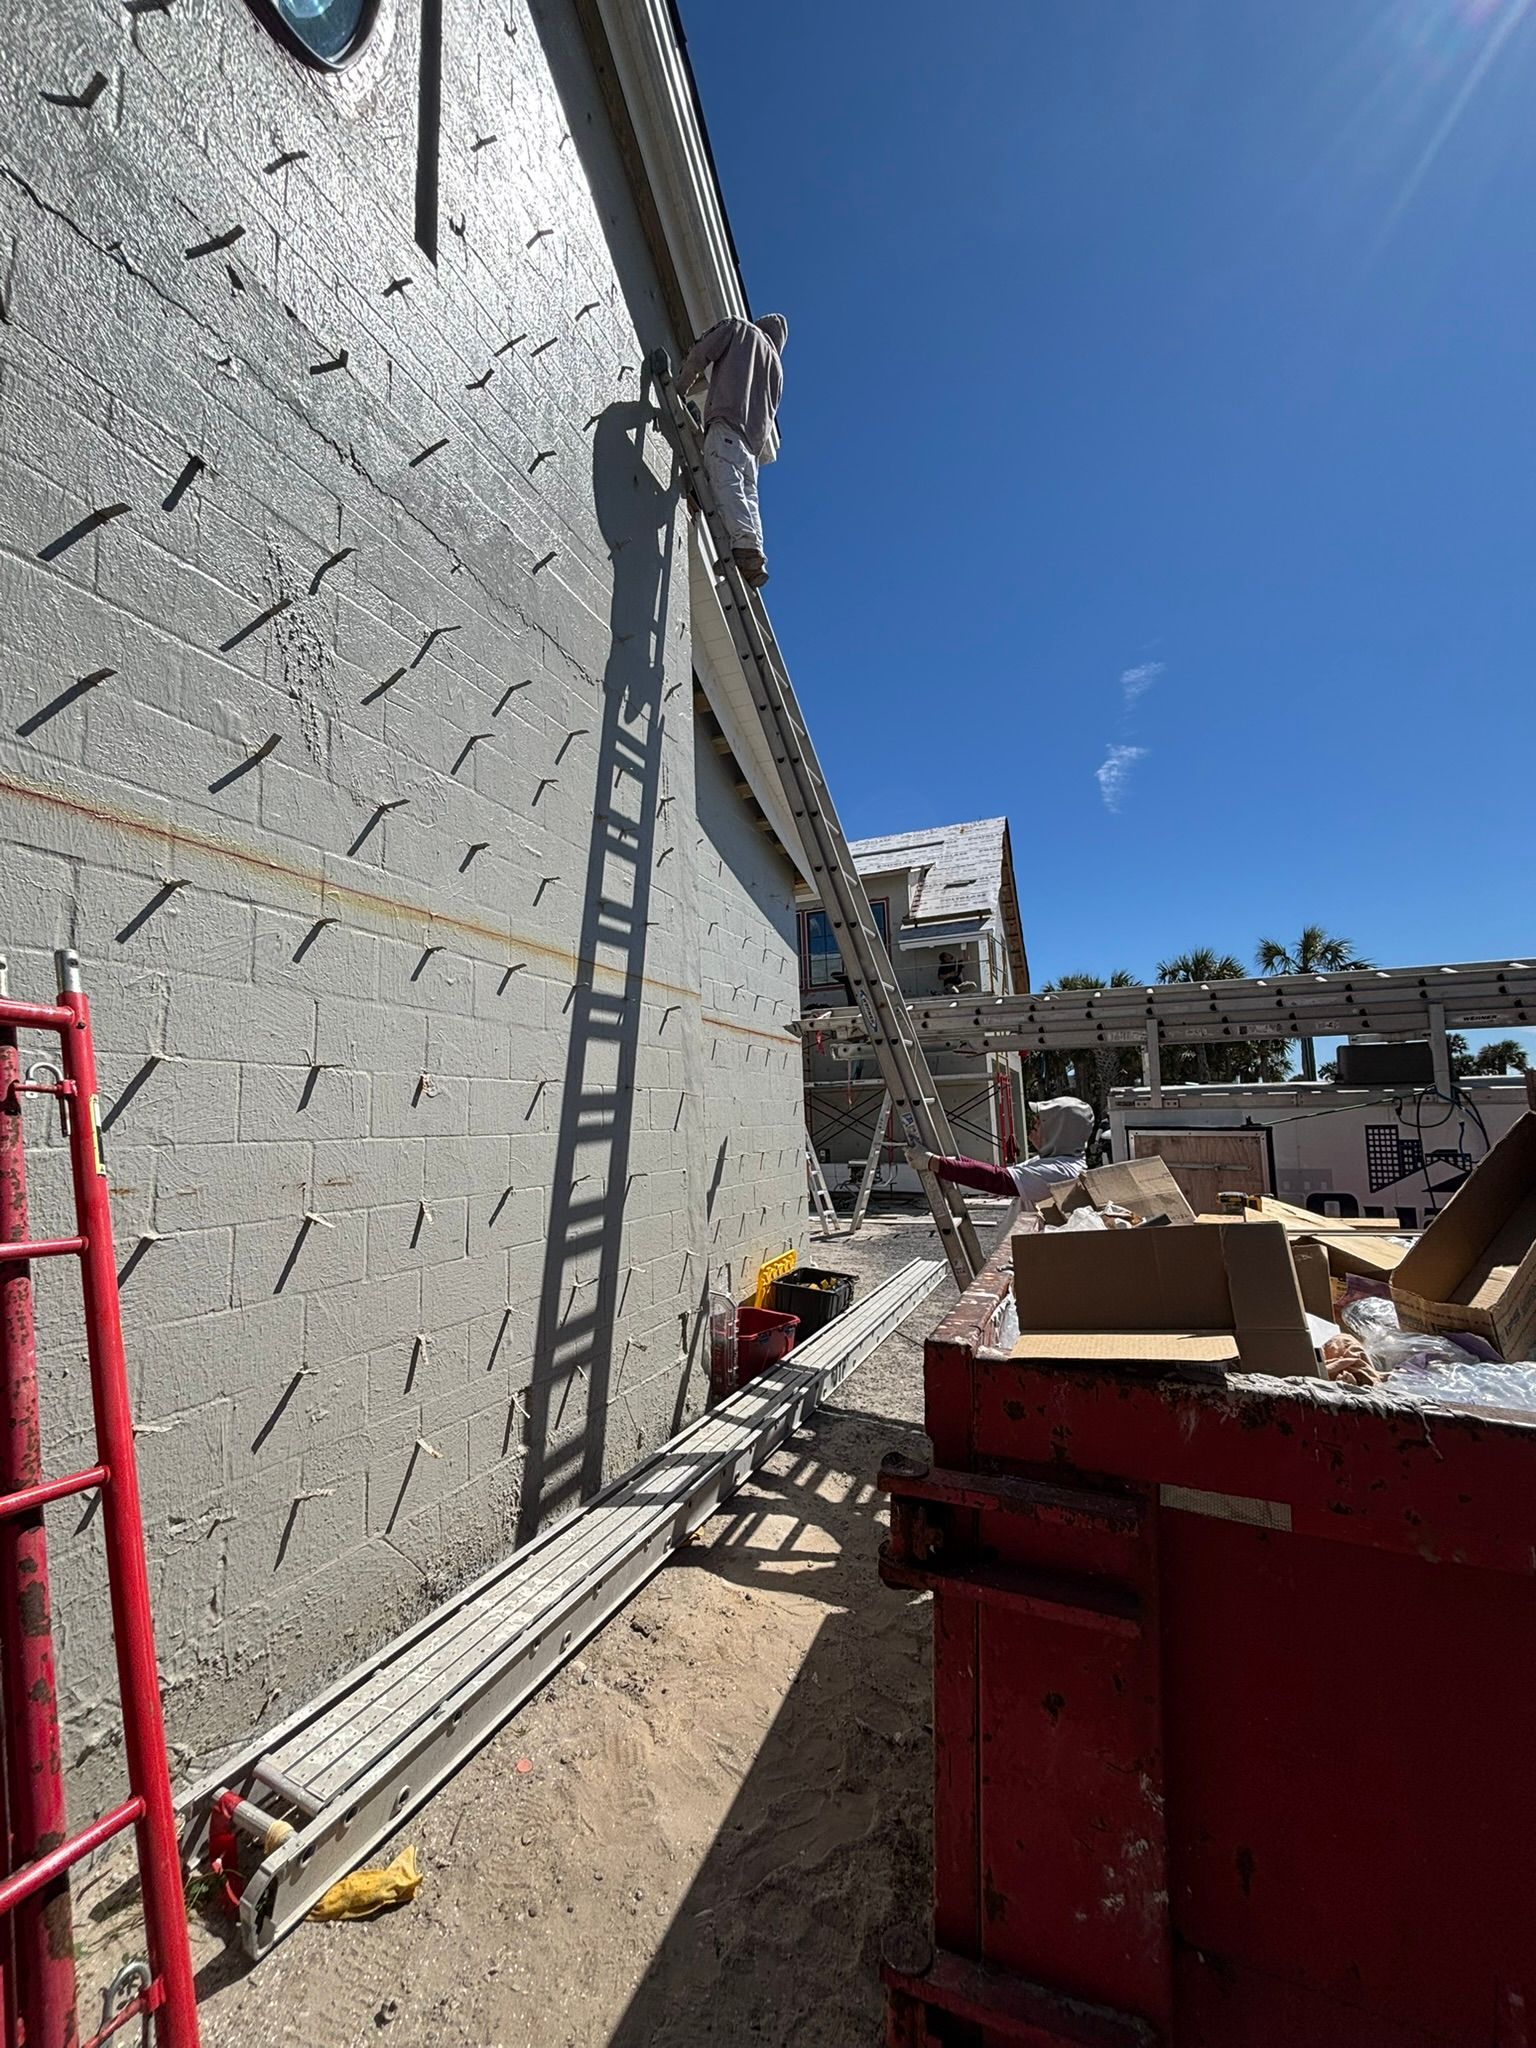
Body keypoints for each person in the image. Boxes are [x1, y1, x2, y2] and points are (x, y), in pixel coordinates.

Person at [675, 312, 788, 588]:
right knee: (747, 500)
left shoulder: (740, 329)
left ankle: (745, 548)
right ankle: (751, 552)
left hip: (727, 425)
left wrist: (679, 387)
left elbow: (702, 351)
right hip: (752, 449)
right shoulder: (778, 370)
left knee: (725, 481)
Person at [927, 1097, 1096, 1211]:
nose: (1034, 1124)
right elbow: (997, 1171)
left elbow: (998, 1180)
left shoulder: (1060, 1171)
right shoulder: (1055, 1161)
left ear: (1059, 1130)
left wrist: (935, 1163)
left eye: (1041, 1120)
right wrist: (952, 1159)